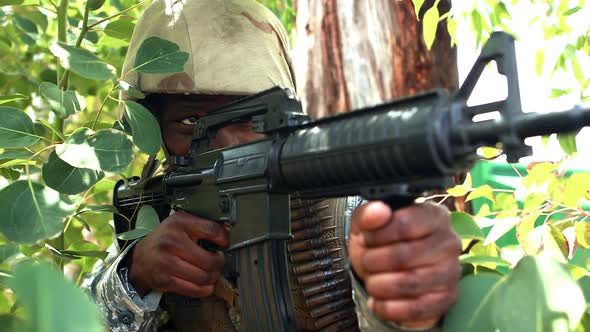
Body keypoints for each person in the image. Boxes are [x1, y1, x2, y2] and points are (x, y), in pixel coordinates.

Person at [86, 0, 462, 331]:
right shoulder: (152, 220)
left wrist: (406, 306)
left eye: (248, 118)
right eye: (191, 123)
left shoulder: (344, 213)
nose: (227, 144)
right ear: (152, 129)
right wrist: (135, 277)